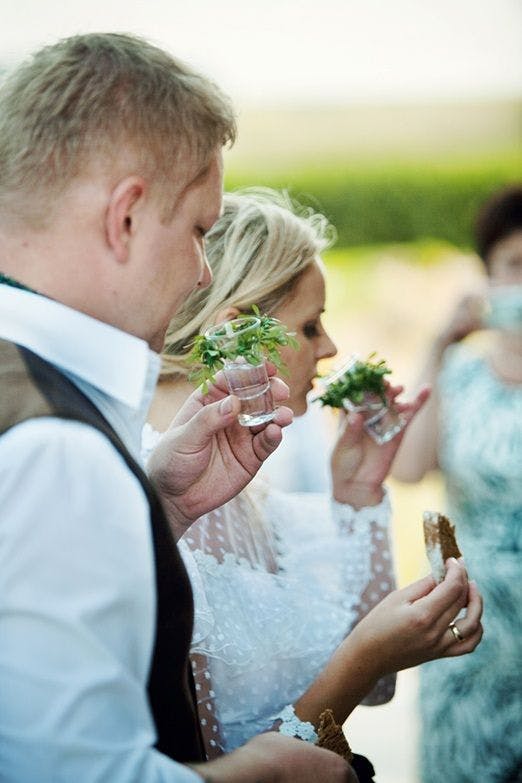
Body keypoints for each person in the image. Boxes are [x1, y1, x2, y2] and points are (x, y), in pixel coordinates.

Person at [0, 33, 361, 783]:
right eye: (199, 228)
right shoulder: (55, 447)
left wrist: (156, 505)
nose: (203, 273)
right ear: (126, 217)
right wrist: (274, 770)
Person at [148, 189, 484, 771]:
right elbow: (205, 761)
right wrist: (362, 656)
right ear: (236, 334)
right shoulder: (164, 498)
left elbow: (378, 688)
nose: (329, 348)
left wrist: (358, 492)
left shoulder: (250, 490)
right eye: (309, 326)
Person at [392, 184, 522, 783]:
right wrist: (440, 344)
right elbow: (411, 467)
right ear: (487, 276)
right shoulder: (463, 375)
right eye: (515, 266)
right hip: (471, 638)